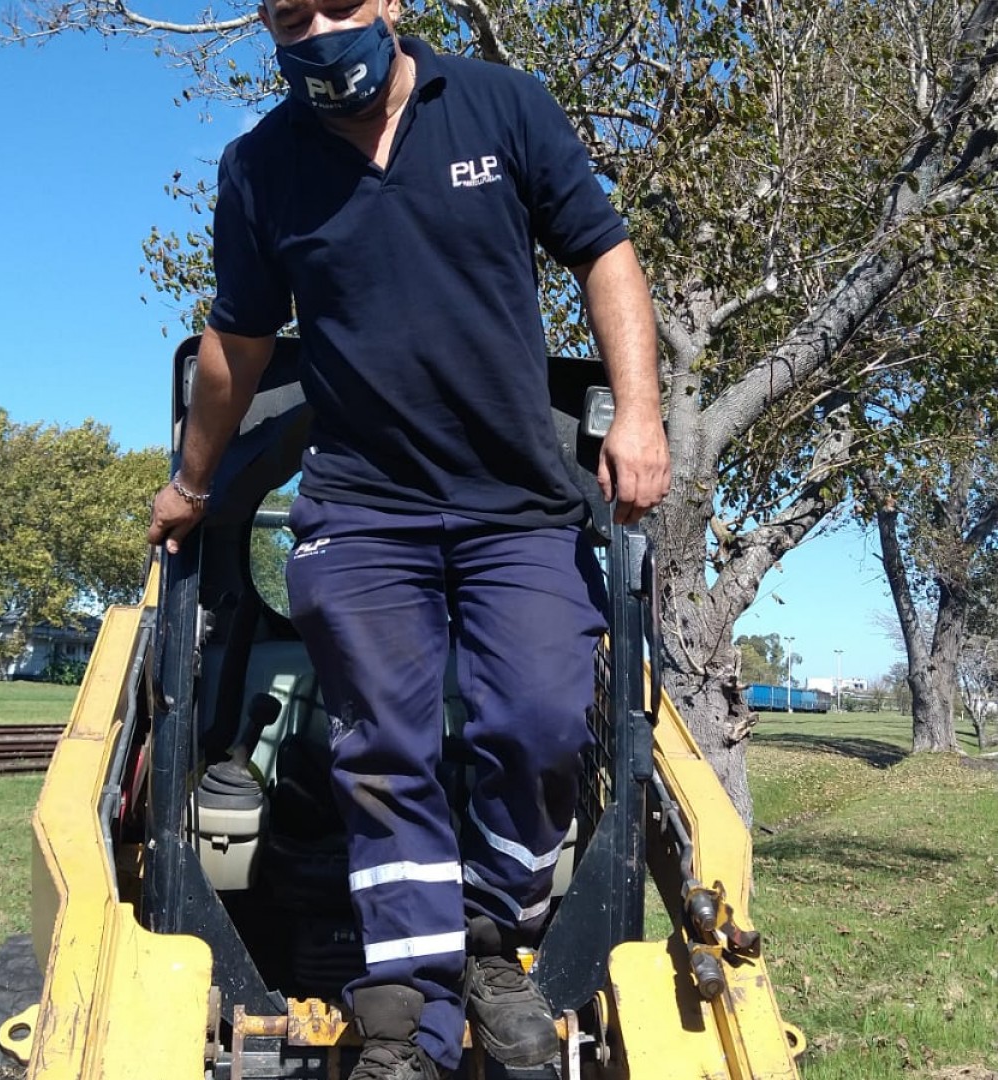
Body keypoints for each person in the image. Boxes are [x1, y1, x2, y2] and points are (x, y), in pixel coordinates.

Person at [148, 1, 671, 1077]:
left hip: (515, 502)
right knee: (382, 748)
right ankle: (412, 1018)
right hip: (362, 509)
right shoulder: (260, 168)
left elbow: (605, 254)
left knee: (534, 720)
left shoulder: (501, 105)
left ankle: (491, 941)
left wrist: (640, 412)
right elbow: (236, 344)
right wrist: (192, 481)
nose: (317, 30)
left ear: (388, 3)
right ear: (268, 25)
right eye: (291, 15)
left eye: (337, 5)